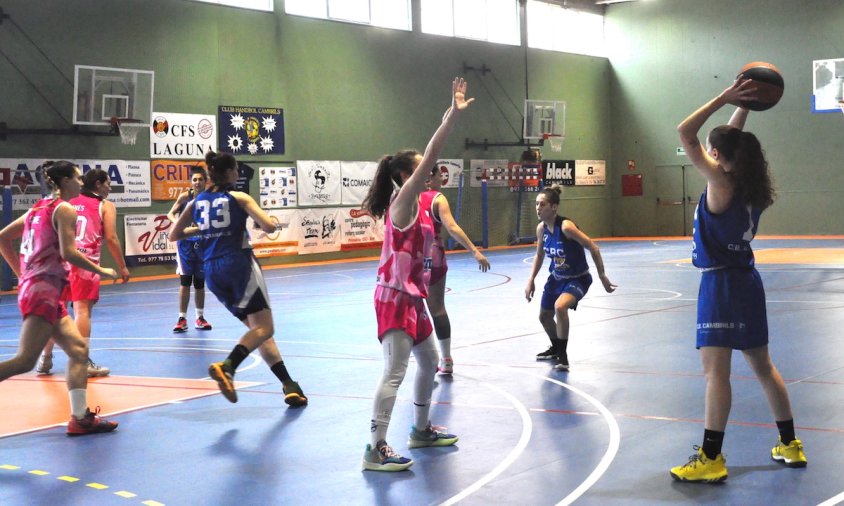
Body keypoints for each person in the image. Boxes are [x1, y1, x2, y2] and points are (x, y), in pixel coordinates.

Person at [669, 79, 807, 482]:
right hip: (747, 281)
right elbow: (732, 143)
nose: (707, 154)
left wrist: (722, 97)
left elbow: (684, 133)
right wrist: (743, 106)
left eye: (713, 152)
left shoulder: (720, 182)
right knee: (764, 368)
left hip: (721, 284)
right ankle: (790, 443)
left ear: (718, 158)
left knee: (716, 373)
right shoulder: (748, 184)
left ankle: (711, 458)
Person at [359, 77, 473, 472]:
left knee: (427, 363)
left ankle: (421, 429)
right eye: (421, 169)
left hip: (413, 299)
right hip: (393, 298)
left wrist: (451, 113)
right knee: (394, 372)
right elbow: (432, 153)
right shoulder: (402, 201)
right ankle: (375, 448)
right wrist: (452, 117)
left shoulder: (426, 204)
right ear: (408, 175)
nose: (429, 173)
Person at [169, 150, 307, 408]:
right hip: (238, 264)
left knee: (258, 331)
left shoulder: (195, 202)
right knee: (265, 328)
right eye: (236, 169)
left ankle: (289, 385)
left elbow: (174, 235)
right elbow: (268, 226)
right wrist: (266, 222)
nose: (238, 173)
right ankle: (228, 365)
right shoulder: (239, 196)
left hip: (212, 271)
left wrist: (206, 228)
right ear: (231, 172)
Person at [0, 161, 119, 435]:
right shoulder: (63, 209)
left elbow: (2, 239)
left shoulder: (37, 208)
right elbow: (69, 253)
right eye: (77, 178)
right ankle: (79, 417)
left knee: (78, 351)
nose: (81, 183)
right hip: (43, 291)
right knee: (24, 361)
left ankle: (80, 418)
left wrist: (22, 274)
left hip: (43, 290)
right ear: (64, 181)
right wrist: (101, 269)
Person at [36, 168, 131, 377]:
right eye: (107, 183)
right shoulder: (105, 205)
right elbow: (112, 238)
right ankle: (82, 361)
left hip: (61, 261)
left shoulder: (66, 202)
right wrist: (122, 266)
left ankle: (45, 359)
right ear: (97, 184)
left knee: (56, 311)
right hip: (85, 263)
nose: (110, 187)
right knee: (82, 311)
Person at [524, 185, 616, 371]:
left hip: (577, 278)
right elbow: (540, 255)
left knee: (560, 306)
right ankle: (556, 347)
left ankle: (563, 357)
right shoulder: (541, 229)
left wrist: (602, 275)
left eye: (542, 204)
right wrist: (531, 279)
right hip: (556, 278)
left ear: (554, 207)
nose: (538, 208)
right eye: (536, 204)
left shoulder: (566, 227)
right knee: (544, 316)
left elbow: (593, 247)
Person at [420, 165, 490, 375]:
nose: (442, 178)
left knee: (416, 311)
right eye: (438, 175)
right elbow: (451, 227)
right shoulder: (438, 199)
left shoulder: (407, 198)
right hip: (433, 255)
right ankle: (446, 359)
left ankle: (427, 360)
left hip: (412, 257)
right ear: (428, 179)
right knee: (438, 308)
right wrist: (474, 250)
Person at [166, 166, 212, 333]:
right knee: (185, 281)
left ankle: (200, 318)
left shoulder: (209, 199)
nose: (197, 182)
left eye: (200, 179)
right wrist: (178, 224)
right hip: (185, 243)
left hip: (203, 244)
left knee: (199, 282)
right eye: (195, 179)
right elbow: (170, 213)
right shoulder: (185, 197)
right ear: (191, 182)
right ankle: (181, 318)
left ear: (205, 181)